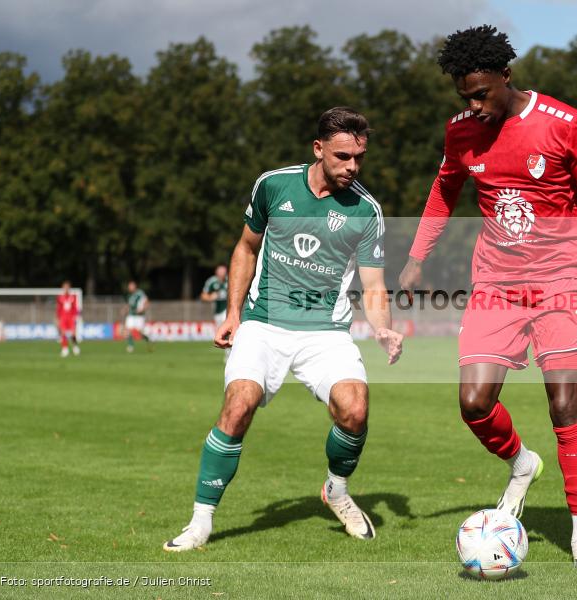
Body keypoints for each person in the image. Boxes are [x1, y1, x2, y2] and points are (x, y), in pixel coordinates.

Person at [398, 25, 577, 571]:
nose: (474, 106)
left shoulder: (568, 126)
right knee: (473, 404)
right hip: (496, 283)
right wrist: (415, 258)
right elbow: (444, 189)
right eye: (465, 97)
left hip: (564, 280)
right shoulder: (461, 133)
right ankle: (522, 463)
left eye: (482, 93)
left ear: (506, 76)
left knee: (565, 404)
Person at [163, 107, 403, 552]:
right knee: (238, 407)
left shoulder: (367, 210)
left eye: (360, 157)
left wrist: (384, 329)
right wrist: (233, 313)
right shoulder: (273, 185)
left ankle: (336, 489)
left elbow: (373, 285)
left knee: (355, 409)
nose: (353, 166)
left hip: (325, 331)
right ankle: (200, 521)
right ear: (318, 149)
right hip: (265, 323)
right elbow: (246, 247)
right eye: (343, 155)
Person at [202, 264, 229, 358]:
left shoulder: (230, 280)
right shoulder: (211, 282)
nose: (221, 273)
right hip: (217, 311)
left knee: (228, 332)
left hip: (228, 311)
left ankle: (229, 356)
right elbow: (203, 296)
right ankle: (227, 354)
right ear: (216, 272)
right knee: (222, 334)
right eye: (220, 271)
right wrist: (210, 297)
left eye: (223, 271)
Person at [123, 280, 152, 353]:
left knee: (141, 333)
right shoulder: (129, 295)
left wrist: (142, 309)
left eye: (131, 286)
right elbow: (129, 304)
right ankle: (130, 346)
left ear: (134, 286)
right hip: (131, 315)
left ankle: (148, 340)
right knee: (127, 330)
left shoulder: (140, 293)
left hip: (139, 316)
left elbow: (147, 302)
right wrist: (125, 309)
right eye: (129, 286)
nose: (129, 288)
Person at [55, 280, 81, 357]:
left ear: (69, 288)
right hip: (63, 318)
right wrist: (57, 318)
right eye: (64, 287)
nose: (66, 288)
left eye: (67, 287)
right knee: (63, 333)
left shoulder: (73, 297)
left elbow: (75, 308)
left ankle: (75, 347)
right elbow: (58, 309)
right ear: (62, 288)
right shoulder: (60, 297)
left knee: (73, 333)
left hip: (71, 318)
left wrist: (76, 316)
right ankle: (65, 349)